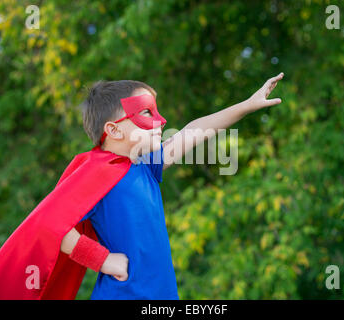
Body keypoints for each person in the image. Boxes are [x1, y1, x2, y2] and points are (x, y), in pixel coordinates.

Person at [61, 73, 284, 299]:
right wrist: (104, 261)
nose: (161, 121)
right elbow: (55, 227)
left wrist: (247, 105)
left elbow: (194, 130)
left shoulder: (146, 165)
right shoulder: (95, 176)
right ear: (114, 130)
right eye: (146, 112)